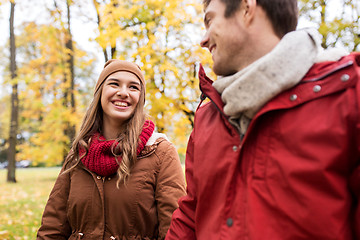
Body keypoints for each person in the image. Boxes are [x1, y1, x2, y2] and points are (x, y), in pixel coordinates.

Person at [166, 0, 360, 239]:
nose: (203, 40)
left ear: (247, 8)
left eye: (209, 20)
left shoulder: (349, 94)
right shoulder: (206, 117)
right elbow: (189, 218)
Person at [37, 59, 186, 239]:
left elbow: (175, 230)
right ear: (100, 92)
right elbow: (52, 228)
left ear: (140, 99)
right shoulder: (79, 153)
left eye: (133, 87)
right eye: (114, 84)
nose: (123, 93)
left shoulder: (160, 152)